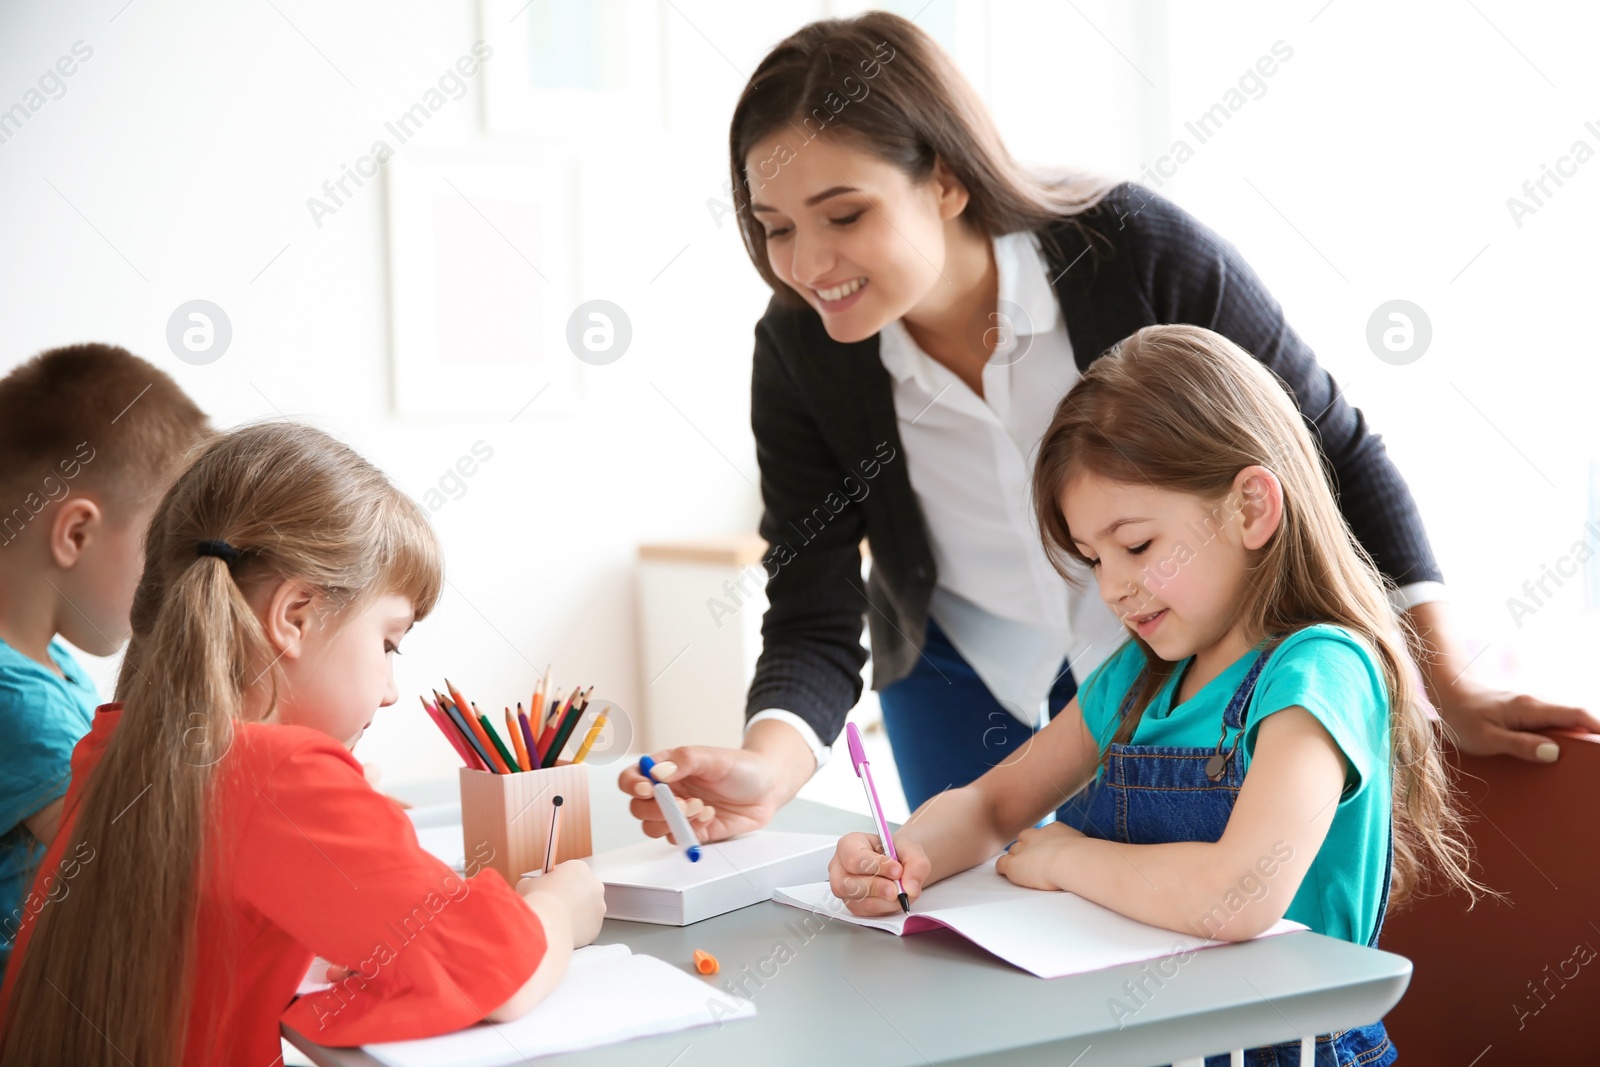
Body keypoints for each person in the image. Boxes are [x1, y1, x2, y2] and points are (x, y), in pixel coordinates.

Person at [619, 11, 1599, 842]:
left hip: (1185, 650)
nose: (804, 262)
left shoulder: (1130, 249)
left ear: (947, 179)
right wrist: (767, 766)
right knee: (979, 950)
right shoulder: (801, 349)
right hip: (960, 673)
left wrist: (1444, 678)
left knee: (1175, 935)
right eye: (773, 225)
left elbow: (1331, 450)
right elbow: (813, 596)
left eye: (843, 213)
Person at [833, 324, 1482, 1064]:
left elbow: (1239, 892)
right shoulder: (1138, 678)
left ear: (1250, 508)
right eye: (1093, 557)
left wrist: (1063, 860)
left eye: (1136, 545)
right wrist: (906, 853)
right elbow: (992, 804)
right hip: (1148, 1040)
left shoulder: (1318, 671)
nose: (1112, 586)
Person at [0, 422, 606, 1066]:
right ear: (294, 616)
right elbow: (496, 969)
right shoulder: (272, 772)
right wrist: (558, 909)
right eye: (389, 643)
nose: (391, 691)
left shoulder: (115, 745)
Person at [0, 343, 210, 972]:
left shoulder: (50, 664)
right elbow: (143, 871)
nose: (169, 583)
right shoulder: (19, 704)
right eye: (162, 550)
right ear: (76, 534)